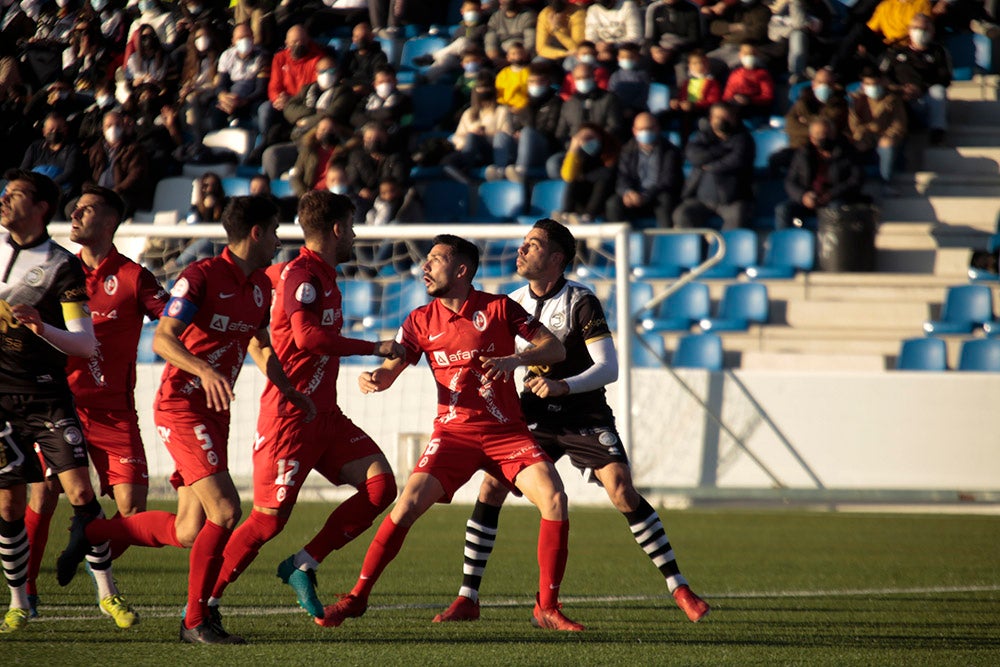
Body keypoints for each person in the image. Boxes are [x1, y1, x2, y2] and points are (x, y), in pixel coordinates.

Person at [56, 195, 310, 644]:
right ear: (255, 233)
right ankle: (195, 621)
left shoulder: (260, 287)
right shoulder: (201, 276)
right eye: (273, 231)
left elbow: (257, 343)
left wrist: (287, 387)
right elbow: (163, 340)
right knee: (227, 510)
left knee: (190, 529)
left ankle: (94, 530)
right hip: (181, 405)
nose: (277, 240)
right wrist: (205, 368)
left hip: (214, 412)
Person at [431, 219, 711, 625]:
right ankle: (468, 597)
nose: (522, 250)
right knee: (492, 486)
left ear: (557, 258)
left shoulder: (582, 302)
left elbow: (608, 367)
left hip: (583, 413)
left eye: (533, 245)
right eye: (523, 243)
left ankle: (679, 586)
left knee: (621, 490)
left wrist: (564, 387)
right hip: (531, 414)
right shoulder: (507, 302)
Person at [317, 234, 582, 632]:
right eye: (427, 260)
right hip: (453, 436)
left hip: (506, 434)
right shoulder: (419, 320)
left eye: (436, 259)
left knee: (555, 498)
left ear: (461, 270)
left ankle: (546, 606)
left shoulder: (498, 307)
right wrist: (378, 378)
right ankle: (357, 597)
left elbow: (555, 349)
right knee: (405, 506)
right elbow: (395, 367)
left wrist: (515, 359)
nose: (425, 267)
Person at [208, 191, 403, 622]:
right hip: (289, 419)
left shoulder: (311, 274)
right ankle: (207, 601)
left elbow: (266, 288)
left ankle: (302, 564)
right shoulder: (303, 275)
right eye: (350, 227)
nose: (353, 235)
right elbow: (306, 338)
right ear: (336, 229)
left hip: (325, 417)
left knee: (381, 487)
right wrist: (375, 346)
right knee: (266, 522)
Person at [24, 184, 168, 619]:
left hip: (114, 411)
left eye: (86, 209)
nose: (75, 214)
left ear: (110, 222)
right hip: (58, 405)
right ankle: (26, 592)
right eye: (74, 209)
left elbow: (173, 319)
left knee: (132, 509)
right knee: (43, 495)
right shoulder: (54, 273)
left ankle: (81, 541)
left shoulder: (133, 276)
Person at [0, 170, 127, 634]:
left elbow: (84, 344)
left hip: (48, 397)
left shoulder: (59, 265)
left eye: (13, 196)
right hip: (2, 403)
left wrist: (41, 328)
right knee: (10, 507)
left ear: (40, 208)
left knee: (79, 493)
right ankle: (18, 603)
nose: (3, 200)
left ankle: (109, 594)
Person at [673, 102, 756, 230]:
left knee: (738, 217)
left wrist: (709, 166)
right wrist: (721, 150)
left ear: (734, 118)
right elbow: (694, 156)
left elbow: (735, 161)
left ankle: (727, 249)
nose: (722, 121)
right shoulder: (702, 136)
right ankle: (695, 248)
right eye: (718, 117)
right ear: (711, 119)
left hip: (732, 200)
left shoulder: (743, 138)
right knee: (682, 214)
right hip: (701, 199)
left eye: (726, 117)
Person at [775, 117, 865, 230]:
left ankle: (833, 244)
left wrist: (831, 194)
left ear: (834, 134)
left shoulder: (848, 152)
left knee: (836, 209)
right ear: (812, 138)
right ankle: (785, 243)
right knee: (783, 209)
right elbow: (790, 181)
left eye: (826, 134)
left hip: (835, 198)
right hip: (809, 198)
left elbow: (855, 180)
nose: (823, 138)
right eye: (818, 135)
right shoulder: (803, 154)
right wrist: (803, 196)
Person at [879, 12, 951, 145]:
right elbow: (882, 76)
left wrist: (921, 88)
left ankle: (937, 132)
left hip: (924, 97)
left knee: (938, 91)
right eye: (916, 28)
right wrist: (900, 89)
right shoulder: (895, 52)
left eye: (925, 29)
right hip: (900, 97)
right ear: (909, 30)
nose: (920, 32)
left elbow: (945, 78)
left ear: (932, 30)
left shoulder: (938, 52)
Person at [607, 112, 683, 228]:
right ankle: (620, 241)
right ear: (634, 131)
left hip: (656, 195)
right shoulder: (627, 151)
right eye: (641, 129)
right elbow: (623, 177)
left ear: (657, 128)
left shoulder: (670, 151)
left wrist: (646, 196)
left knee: (666, 200)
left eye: (648, 128)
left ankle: (665, 240)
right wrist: (628, 192)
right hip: (634, 197)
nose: (645, 132)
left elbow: (668, 180)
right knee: (613, 204)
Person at [849, 69, 908, 194]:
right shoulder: (858, 101)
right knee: (856, 144)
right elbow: (854, 126)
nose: (872, 87)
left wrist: (885, 135)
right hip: (865, 137)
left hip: (885, 137)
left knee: (887, 143)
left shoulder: (892, 100)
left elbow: (899, 126)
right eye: (868, 84)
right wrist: (855, 105)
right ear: (863, 86)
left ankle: (886, 183)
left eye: (875, 84)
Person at [560, 123, 620, 222]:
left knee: (603, 177)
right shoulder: (580, 155)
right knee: (574, 180)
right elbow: (568, 176)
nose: (587, 141)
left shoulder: (611, 151)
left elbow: (611, 175)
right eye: (583, 138)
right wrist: (573, 149)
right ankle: (566, 214)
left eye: (590, 137)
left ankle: (588, 216)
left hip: (602, 199)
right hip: (584, 198)